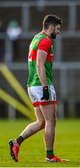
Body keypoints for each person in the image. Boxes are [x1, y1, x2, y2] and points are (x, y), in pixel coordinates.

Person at [9, 14, 68, 163]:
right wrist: (46, 87)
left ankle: (17, 142)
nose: (58, 32)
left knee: (41, 122)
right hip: (41, 84)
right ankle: (50, 156)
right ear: (51, 27)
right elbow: (39, 65)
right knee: (51, 121)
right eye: (58, 29)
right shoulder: (45, 41)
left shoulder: (36, 38)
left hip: (32, 85)